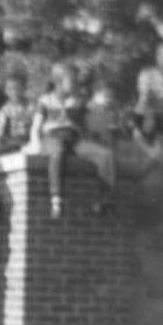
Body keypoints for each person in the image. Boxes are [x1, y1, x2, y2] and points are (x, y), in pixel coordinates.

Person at [30, 62, 116, 217]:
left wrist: (100, 131)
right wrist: (35, 142)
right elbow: (36, 127)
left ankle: (104, 199)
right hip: (52, 137)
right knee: (58, 151)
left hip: (74, 140)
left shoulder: (78, 101)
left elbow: (88, 125)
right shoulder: (45, 100)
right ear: (58, 81)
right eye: (71, 79)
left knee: (105, 155)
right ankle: (56, 199)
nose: (75, 83)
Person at [0, 69, 37, 164]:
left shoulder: (32, 107)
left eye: (17, 89)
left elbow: (37, 127)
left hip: (29, 141)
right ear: (6, 91)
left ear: (24, 89)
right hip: (12, 142)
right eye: (10, 89)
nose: (14, 92)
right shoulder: (5, 110)